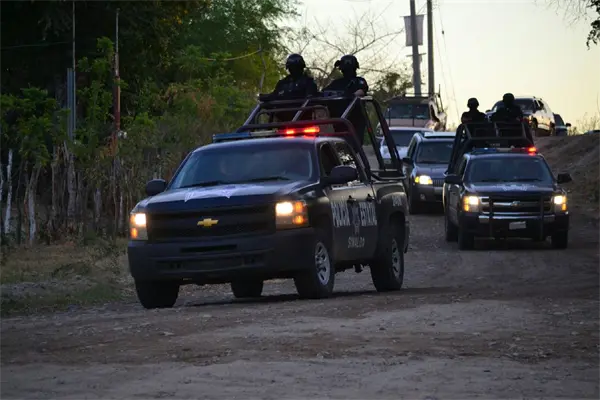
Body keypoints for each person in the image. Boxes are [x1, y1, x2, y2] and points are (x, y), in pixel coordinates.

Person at [323, 55, 369, 149]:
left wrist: (349, 96)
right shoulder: (336, 83)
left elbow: (361, 92)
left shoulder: (359, 81)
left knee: (352, 146)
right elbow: (324, 94)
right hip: (339, 121)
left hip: (355, 121)